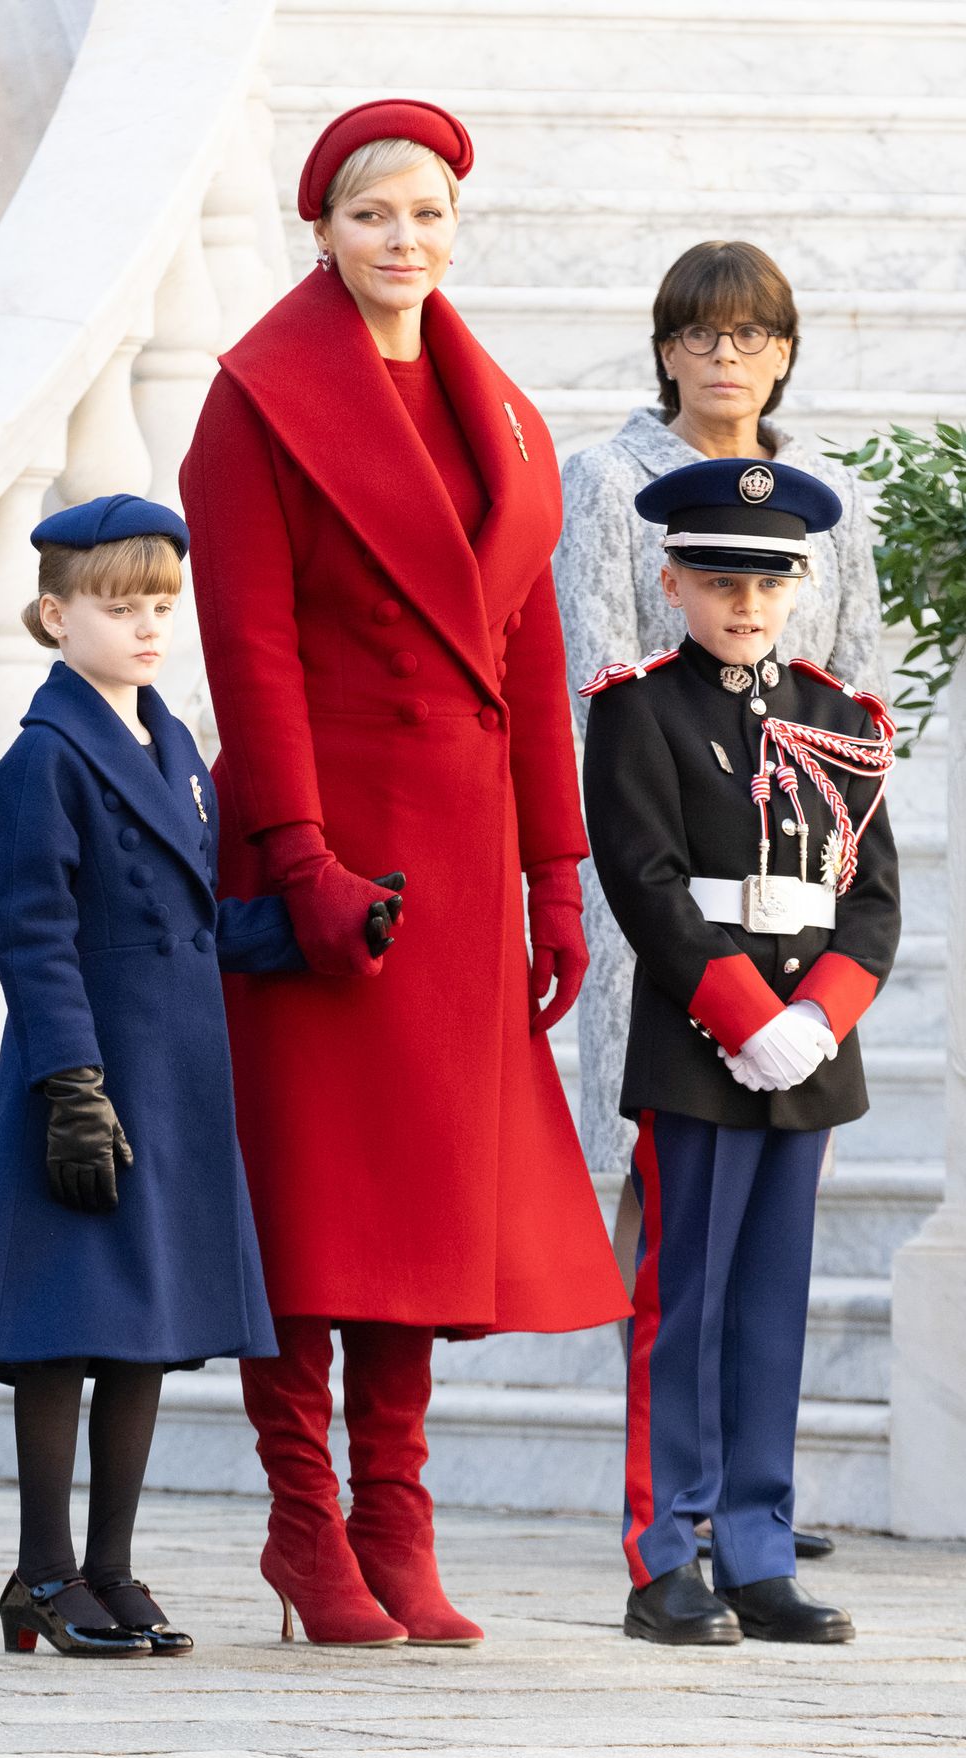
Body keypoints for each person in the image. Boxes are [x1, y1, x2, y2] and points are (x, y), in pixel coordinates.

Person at [179, 98, 631, 1649]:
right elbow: (246, 645)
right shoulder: (255, 401)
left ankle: (398, 1522)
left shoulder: (491, 406)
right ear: (321, 229)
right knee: (318, 1197)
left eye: (430, 213)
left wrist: (556, 873)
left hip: (456, 860)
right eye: (375, 214)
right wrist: (296, 853)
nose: (405, 240)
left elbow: (529, 640)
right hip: (325, 851)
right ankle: (308, 1528)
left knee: (423, 1206)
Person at [0, 495, 395, 1660]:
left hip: (180, 1078)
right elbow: (32, 935)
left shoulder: (174, 747)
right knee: (61, 1329)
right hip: (85, 1076)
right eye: (117, 605)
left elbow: (195, 924)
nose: (146, 627)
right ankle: (39, 1575)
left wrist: (321, 929)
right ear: (52, 614)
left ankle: (110, 1570)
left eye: (160, 606)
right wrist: (72, 1089)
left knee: (140, 1330)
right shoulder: (43, 758)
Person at [555, 240, 884, 1560]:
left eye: (752, 336)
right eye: (701, 334)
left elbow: (851, 697)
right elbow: (599, 665)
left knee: (767, 1256)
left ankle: (750, 1507)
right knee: (673, 1236)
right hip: (674, 901)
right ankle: (670, 1515)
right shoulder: (607, 483)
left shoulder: (835, 500)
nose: (727, 357)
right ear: (665, 346)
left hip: (797, 905)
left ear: (787, 351)